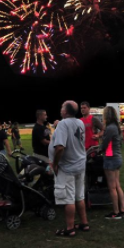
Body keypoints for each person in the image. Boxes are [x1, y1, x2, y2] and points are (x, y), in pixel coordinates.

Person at [50, 101, 89, 237]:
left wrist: (55, 163)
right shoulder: (79, 122)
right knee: (80, 196)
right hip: (80, 164)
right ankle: (84, 223)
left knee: (69, 198)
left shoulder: (63, 124)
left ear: (65, 111)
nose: (60, 109)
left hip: (68, 167)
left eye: (61, 107)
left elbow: (60, 147)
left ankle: (70, 228)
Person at [99, 106, 124, 220]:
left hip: (111, 158)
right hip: (117, 157)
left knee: (112, 187)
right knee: (117, 185)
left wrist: (100, 149)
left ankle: (116, 212)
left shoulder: (110, 128)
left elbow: (105, 144)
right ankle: (123, 210)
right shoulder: (116, 126)